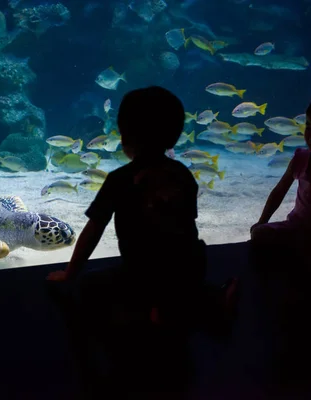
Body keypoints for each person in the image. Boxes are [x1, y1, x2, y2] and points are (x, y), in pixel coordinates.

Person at [47, 86, 236, 327]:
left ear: (125, 137)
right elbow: (189, 224)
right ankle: (208, 298)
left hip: (142, 271)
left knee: (92, 285)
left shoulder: (119, 179)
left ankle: (156, 311)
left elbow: (94, 229)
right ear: (174, 136)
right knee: (181, 280)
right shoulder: (182, 173)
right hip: (190, 265)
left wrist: (70, 273)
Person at [251, 93, 311, 266]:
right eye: (308, 127)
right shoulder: (301, 159)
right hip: (297, 227)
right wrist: (262, 221)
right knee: (260, 234)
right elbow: (279, 191)